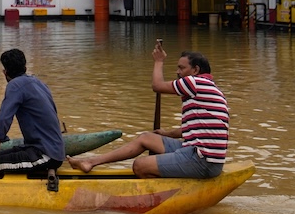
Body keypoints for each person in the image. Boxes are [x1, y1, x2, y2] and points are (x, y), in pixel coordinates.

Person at [68, 42, 229, 178]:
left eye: (182, 68)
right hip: (197, 153)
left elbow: (157, 86)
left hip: (202, 161)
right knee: (146, 138)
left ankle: (166, 190)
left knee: (140, 166)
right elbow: (192, 129)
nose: (178, 72)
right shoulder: (208, 89)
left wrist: (159, 61)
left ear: (195, 70)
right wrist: (165, 133)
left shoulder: (194, 83)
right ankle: (90, 161)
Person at [0, 49, 66, 179]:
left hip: (45, 154)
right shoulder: (39, 83)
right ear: (25, 67)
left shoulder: (14, 85)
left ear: (5, 73)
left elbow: (3, 120)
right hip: (50, 150)